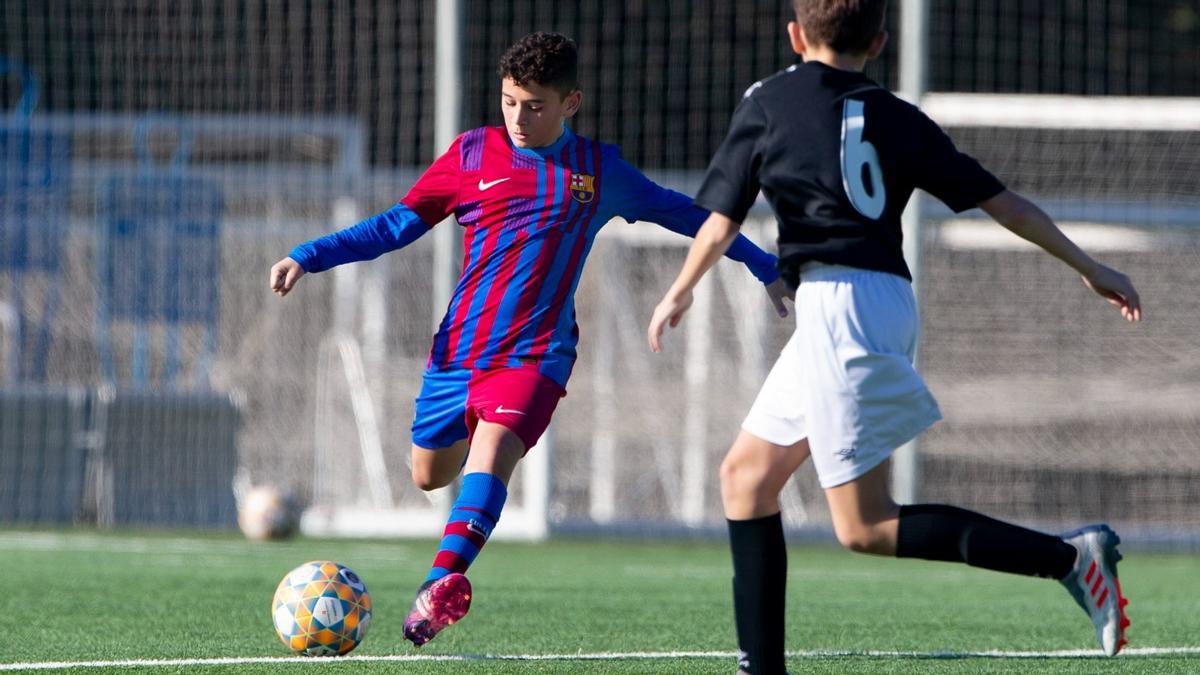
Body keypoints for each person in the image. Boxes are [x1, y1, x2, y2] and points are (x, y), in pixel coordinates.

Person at [646, 1, 1141, 672]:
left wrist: (681, 286)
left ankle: (1068, 559)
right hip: (873, 299)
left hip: (840, 305)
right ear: (878, 42)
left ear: (795, 35)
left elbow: (721, 220)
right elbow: (1005, 203)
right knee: (746, 478)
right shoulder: (900, 117)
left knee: (866, 525)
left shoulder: (769, 98)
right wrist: (1090, 267)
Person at [270, 31, 787, 648]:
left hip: (536, 357)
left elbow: (686, 213)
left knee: (490, 457)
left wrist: (764, 263)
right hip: (456, 354)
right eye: (510, 101)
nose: (518, 117)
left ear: (571, 103)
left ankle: (437, 590)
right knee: (429, 475)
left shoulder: (597, 171)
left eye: (535, 104)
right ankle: (463, 524)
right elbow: (396, 225)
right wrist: (311, 254)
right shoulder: (471, 154)